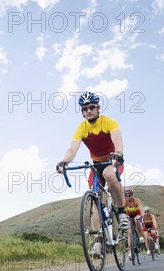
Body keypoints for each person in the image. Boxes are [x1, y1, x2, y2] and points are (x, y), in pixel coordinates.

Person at [56, 91, 128, 256]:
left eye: (91, 107)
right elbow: (72, 149)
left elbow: (117, 139)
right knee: (95, 199)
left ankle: (122, 212)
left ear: (98, 108)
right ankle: (98, 241)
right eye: (85, 108)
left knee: (110, 175)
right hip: (96, 165)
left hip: (112, 161)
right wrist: (64, 162)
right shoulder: (82, 128)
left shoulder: (108, 122)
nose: (88, 111)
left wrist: (118, 153)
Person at [124, 187, 146, 260]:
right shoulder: (125, 202)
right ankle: (130, 252)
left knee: (136, 220)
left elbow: (142, 210)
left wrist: (141, 216)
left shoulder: (137, 201)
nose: (128, 197)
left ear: (132, 194)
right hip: (129, 216)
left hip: (137, 214)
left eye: (129, 195)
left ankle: (140, 236)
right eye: (126, 196)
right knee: (129, 232)